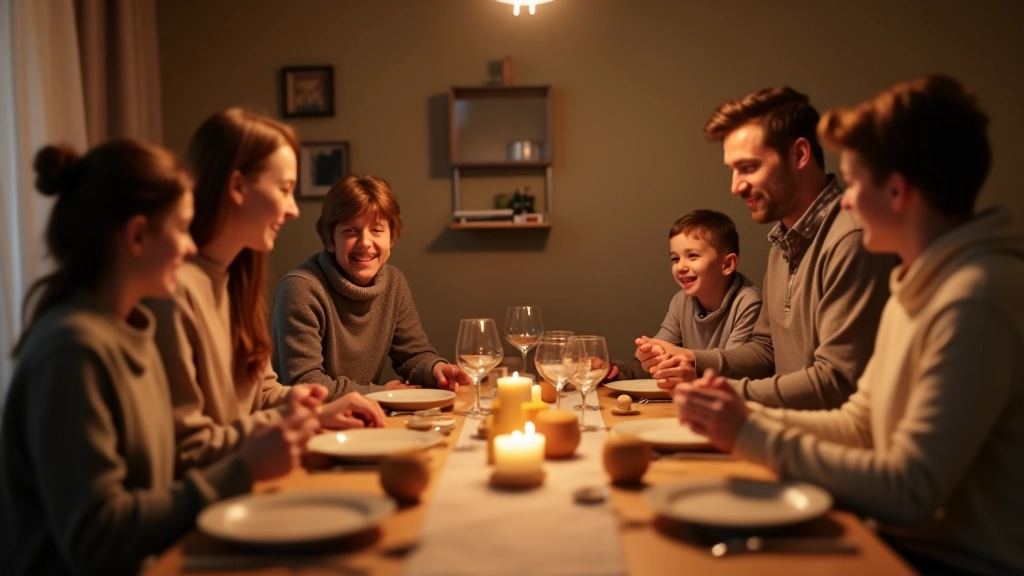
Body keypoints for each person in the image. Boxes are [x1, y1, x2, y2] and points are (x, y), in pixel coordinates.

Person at [673, 75, 1024, 575]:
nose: (849, 200)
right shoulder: (919, 284)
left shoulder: (976, 297)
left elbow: (911, 491)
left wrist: (751, 433)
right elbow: (861, 422)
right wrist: (739, 423)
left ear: (898, 191)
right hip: (889, 539)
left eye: (856, 183)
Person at [0, 141, 319, 575]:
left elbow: (160, 485)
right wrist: (241, 469)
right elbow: (96, 538)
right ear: (136, 236)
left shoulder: (132, 332)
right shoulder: (72, 349)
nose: (191, 248)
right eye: (183, 228)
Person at [150, 109, 386, 474]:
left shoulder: (234, 281)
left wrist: (317, 409)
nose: (293, 210)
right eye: (285, 189)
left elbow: (260, 394)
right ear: (237, 187)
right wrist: (289, 425)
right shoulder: (172, 289)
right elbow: (186, 450)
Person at [644, 87, 892, 409]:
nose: (735, 186)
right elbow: (766, 349)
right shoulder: (782, 244)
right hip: (786, 435)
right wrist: (692, 358)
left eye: (748, 167)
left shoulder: (851, 238)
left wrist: (721, 394)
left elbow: (838, 381)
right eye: (733, 170)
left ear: (799, 155)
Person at [272, 174, 469, 399]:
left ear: (392, 238)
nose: (365, 242)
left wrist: (436, 370)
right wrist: (382, 394)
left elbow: (413, 355)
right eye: (351, 231)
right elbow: (305, 385)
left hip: (361, 419)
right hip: (305, 426)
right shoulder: (300, 288)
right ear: (330, 240)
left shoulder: (393, 282)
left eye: (376, 230)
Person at [614, 210, 761, 381]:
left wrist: (683, 358)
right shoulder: (681, 301)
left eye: (692, 256)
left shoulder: (747, 302)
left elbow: (732, 371)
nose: (681, 266)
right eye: (675, 259)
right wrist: (624, 365)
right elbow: (659, 363)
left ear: (727, 264)